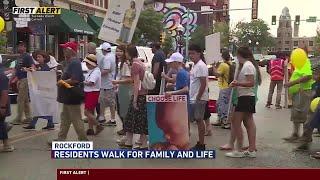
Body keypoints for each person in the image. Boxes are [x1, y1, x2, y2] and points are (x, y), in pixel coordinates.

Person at [225, 47, 261, 158]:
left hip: (245, 97)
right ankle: (251, 149)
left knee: (236, 121)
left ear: (240, 55)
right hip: (247, 97)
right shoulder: (248, 65)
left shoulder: (248, 66)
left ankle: (239, 149)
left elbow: (250, 83)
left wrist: (237, 83)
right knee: (248, 122)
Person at [51, 41, 88, 142]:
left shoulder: (75, 63)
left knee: (76, 119)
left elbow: (75, 79)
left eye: (65, 49)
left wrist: (62, 82)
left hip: (72, 95)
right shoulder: (70, 62)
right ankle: (61, 138)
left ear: (71, 50)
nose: (63, 51)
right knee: (65, 119)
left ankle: (83, 140)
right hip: (68, 96)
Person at [119, 45, 148, 149]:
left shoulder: (135, 64)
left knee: (133, 119)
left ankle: (131, 142)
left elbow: (136, 83)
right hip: (143, 94)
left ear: (129, 53)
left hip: (139, 95)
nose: (124, 54)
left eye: (126, 52)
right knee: (139, 120)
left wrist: (134, 99)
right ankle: (132, 141)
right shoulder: (140, 62)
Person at [283, 53, 313, 144]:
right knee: (296, 114)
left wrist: (292, 83)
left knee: (303, 114)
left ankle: (306, 136)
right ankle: (295, 134)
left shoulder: (306, 63)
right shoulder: (300, 63)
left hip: (303, 91)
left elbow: (308, 76)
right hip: (298, 92)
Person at [23, 51, 55, 130]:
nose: (38, 58)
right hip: (40, 90)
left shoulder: (45, 66)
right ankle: (36, 124)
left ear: (44, 58)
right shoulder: (40, 66)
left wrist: (34, 71)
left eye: (39, 57)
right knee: (38, 106)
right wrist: (30, 70)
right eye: (37, 57)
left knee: (40, 107)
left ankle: (49, 122)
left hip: (44, 90)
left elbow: (42, 76)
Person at [294, 64, 320, 151]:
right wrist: (303, 93)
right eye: (313, 74)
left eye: (316, 74)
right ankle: (305, 142)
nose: (314, 76)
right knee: (308, 124)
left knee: (309, 123)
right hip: (314, 106)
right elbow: (312, 96)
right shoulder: (314, 85)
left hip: (318, 106)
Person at [188, 44, 209, 150]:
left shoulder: (201, 66)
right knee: (198, 120)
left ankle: (201, 144)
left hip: (199, 98)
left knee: (199, 120)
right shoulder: (195, 65)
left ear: (199, 54)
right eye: (190, 53)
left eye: (193, 53)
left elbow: (203, 84)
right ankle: (200, 143)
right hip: (194, 97)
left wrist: (197, 98)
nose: (191, 55)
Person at [11, 41, 35, 125]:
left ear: (25, 48)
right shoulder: (19, 57)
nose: (19, 48)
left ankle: (19, 118)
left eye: (21, 46)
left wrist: (29, 70)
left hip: (25, 79)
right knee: (25, 100)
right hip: (20, 79)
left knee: (20, 99)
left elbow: (32, 67)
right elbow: (16, 70)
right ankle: (28, 118)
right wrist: (13, 79)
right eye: (19, 46)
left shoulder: (27, 56)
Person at [112, 45, 133, 136]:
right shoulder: (119, 63)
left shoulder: (125, 64)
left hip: (125, 90)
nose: (118, 53)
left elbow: (129, 79)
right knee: (120, 110)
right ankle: (126, 128)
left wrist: (117, 81)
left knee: (123, 111)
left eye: (121, 51)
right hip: (119, 89)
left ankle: (127, 129)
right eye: (117, 51)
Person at [83, 54, 104, 136]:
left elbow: (91, 82)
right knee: (91, 111)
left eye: (88, 63)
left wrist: (83, 83)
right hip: (90, 92)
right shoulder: (92, 71)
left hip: (92, 92)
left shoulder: (96, 71)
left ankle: (98, 125)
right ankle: (90, 128)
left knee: (86, 112)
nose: (86, 65)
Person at [212, 50, 233, 129]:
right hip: (229, 87)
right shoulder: (230, 64)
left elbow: (217, 74)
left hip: (224, 87)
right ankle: (222, 119)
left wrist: (213, 66)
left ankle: (223, 120)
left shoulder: (223, 65)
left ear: (222, 57)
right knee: (223, 104)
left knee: (222, 104)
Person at [98, 42, 117, 126]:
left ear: (103, 50)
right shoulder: (112, 56)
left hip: (107, 83)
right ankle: (102, 117)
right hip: (109, 82)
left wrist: (97, 74)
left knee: (108, 102)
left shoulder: (107, 58)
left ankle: (112, 119)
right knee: (105, 101)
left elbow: (106, 70)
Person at [0, 57, 14, 152]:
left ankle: (6, 145)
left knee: (1, 123)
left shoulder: (1, 75)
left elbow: (4, 92)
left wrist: (2, 106)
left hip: (1, 103)